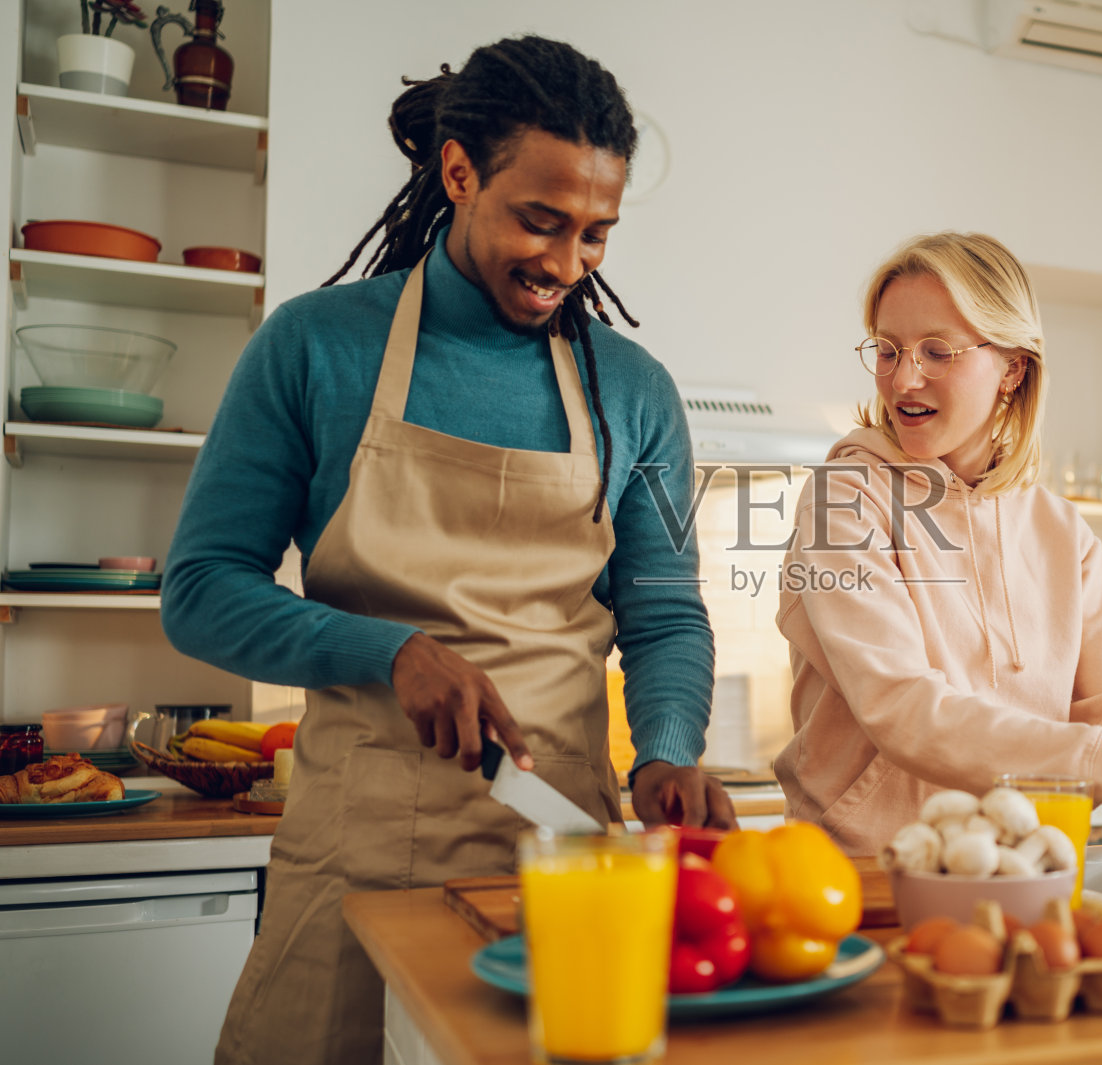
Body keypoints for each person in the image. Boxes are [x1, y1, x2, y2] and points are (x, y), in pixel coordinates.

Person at [161, 35, 733, 1065]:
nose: (566, 264)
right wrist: (388, 650)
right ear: (460, 173)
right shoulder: (314, 346)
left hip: (564, 857)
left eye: (597, 234)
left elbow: (665, 613)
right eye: (540, 221)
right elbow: (201, 590)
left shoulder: (636, 390)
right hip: (356, 856)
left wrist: (666, 750)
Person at [774, 232, 1102, 858]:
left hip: (1026, 868)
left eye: (937, 352)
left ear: (1013, 369)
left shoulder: (1061, 531)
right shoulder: (844, 498)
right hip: (867, 870)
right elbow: (902, 707)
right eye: (888, 350)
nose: (904, 378)